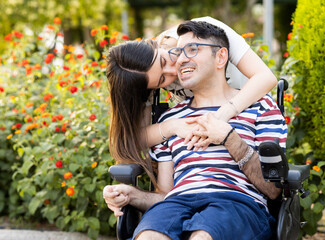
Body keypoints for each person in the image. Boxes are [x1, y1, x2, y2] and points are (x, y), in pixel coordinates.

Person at [103, 21, 287, 240]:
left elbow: (273, 190)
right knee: (149, 236)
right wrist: (132, 195)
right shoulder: (170, 119)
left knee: (203, 236)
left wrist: (229, 137)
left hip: (235, 202)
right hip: (176, 203)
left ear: (220, 58)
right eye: (179, 53)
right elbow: (165, 194)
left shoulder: (261, 106)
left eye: (191, 51)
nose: (178, 63)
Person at [105, 17, 277, 183]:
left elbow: (266, 77)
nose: (173, 70)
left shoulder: (204, 32)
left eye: (165, 61)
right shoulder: (146, 74)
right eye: (162, 80)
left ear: (155, 45)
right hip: (199, 153)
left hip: (244, 114)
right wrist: (171, 126)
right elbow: (132, 139)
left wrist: (221, 115)